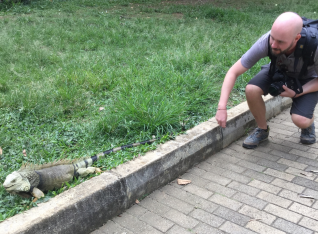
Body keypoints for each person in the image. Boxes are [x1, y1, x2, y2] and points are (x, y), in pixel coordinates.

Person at [216, 12, 318, 149]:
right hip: (280, 70)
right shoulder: (267, 41)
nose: (274, 45)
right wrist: (222, 107)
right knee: (251, 89)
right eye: (273, 38)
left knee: (301, 120)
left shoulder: (314, 46)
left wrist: (297, 93)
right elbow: (233, 72)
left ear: (296, 38)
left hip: (309, 79)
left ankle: (308, 123)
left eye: (281, 42)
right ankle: (262, 130)